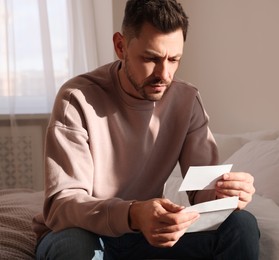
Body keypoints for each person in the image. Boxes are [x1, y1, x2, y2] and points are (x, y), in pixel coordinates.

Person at [33, 0, 260, 259]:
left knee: (242, 225)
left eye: (174, 59)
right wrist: (133, 213)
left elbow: (202, 191)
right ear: (121, 46)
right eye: (150, 58)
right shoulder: (77, 98)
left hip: (144, 239)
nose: (164, 74)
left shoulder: (186, 101)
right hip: (83, 233)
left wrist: (225, 195)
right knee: (75, 246)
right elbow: (62, 206)